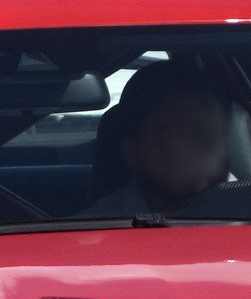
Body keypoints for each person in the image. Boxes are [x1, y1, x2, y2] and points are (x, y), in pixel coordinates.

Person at [82, 63, 231, 216]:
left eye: (211, 131)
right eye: (178, 131)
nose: (205, 147)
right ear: (134, 150)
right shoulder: (93, 228)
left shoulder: (250, 209)